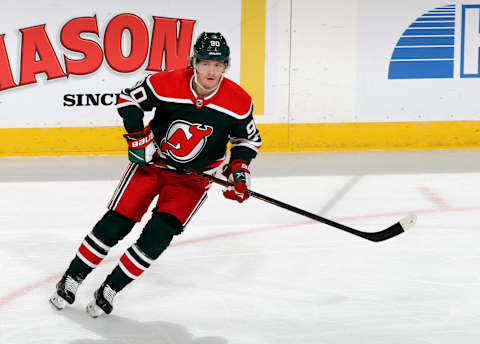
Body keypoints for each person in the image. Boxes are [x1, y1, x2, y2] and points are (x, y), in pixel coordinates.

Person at [49, 32, 262, 317]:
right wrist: (138, 139)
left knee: (158, 236)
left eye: (219, 64)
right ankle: (72, 277)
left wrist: (239, 170)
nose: (212, 70)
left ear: (226, 66)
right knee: (116, 225)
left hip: (193, 180)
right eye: (206, 63)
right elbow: (128, 101)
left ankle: (110, 288)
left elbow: (246, 140)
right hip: (152, 166)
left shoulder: (238, 101)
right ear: (194, 62)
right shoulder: (166, 83)